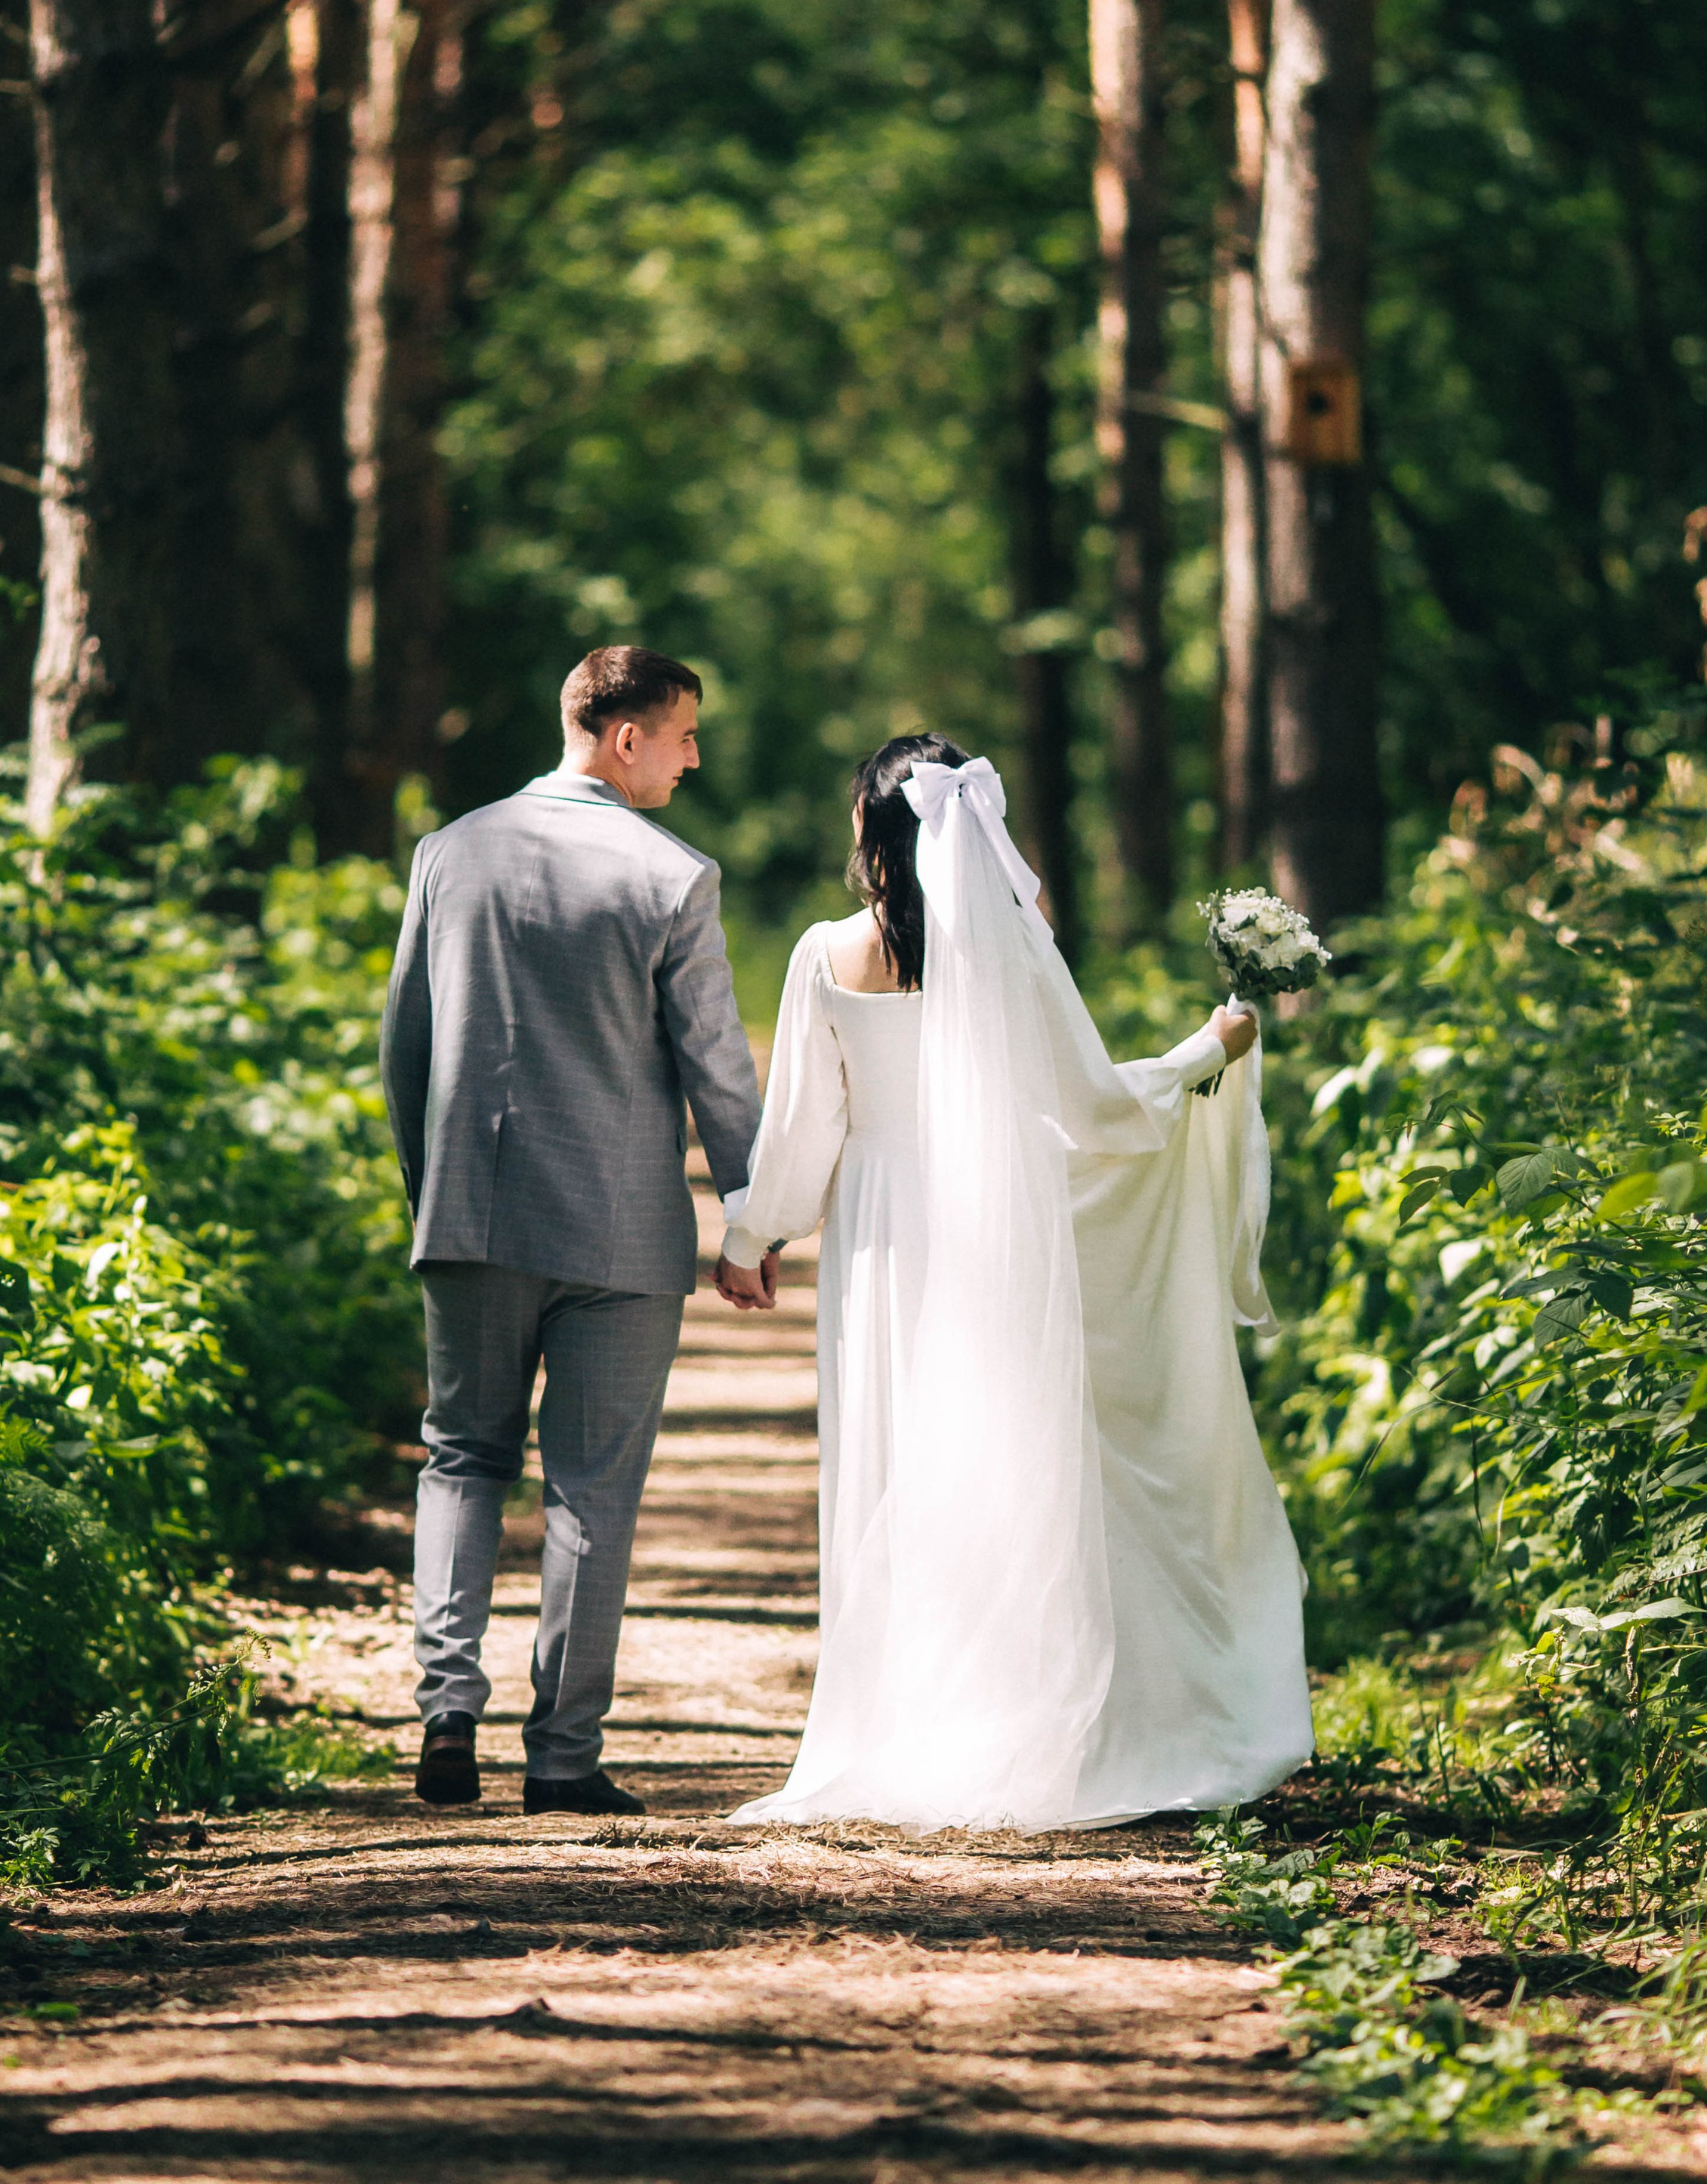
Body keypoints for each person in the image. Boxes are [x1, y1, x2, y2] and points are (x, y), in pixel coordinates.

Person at [714, 734, 1312, 1831]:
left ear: (869, 833)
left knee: (900, 1452)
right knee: (1019, 1450)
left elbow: (804, 1126)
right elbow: (1091, 1109)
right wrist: (1203, 1051)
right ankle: (1035, 1712)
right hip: (1003, 1221)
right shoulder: (1019, 953)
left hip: (888, 1234)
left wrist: (752, 1234)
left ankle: (912, 1719)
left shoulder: (824, 955)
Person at [381, 646, 761, 1814]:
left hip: (473, 1214)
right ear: (624, 737)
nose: (695, 755)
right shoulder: (672, 877)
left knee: (462, 1457)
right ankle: (562, 1761)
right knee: (594, 1489)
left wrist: (433, 1188)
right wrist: (753, 1214)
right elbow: (718, 1069)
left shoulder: (450, 853)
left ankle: (449, 1712)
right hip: (618, 1234)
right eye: (685, 733)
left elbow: (406, 1047)